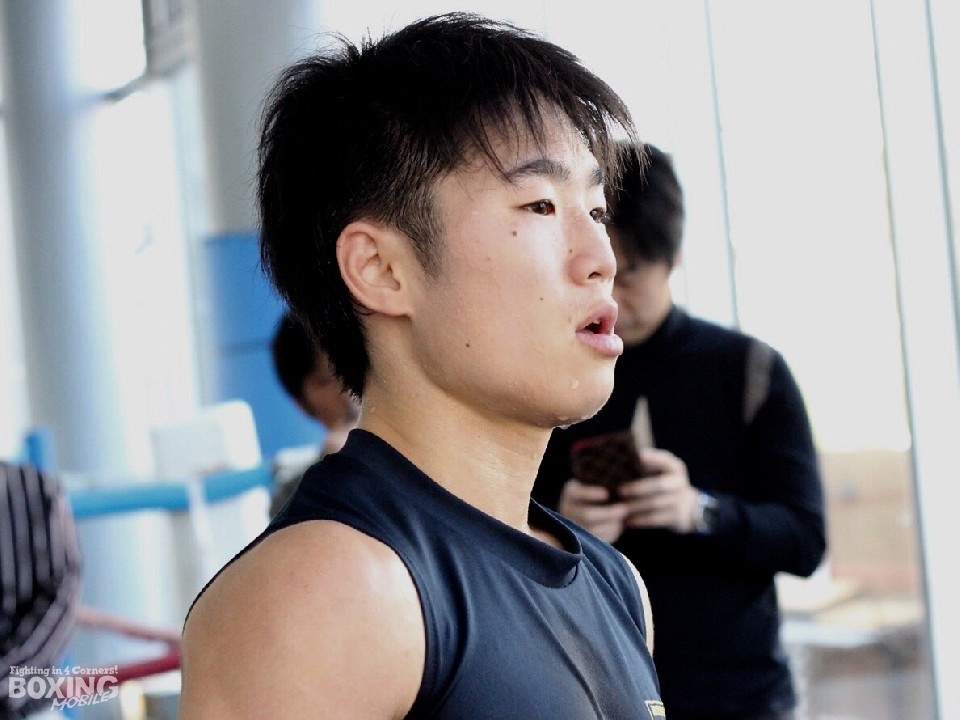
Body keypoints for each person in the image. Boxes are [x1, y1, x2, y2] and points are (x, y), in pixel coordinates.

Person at [178, 13, 664, 719]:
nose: (601, 258)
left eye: (595, 208)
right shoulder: (330, 592)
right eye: (540, 204)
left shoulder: (616, 583)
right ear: (381, 269)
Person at [534, 142, 827, 720]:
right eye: (598, 271)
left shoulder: (748, 370)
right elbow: (501, 524)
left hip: (739, 697)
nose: (612, 295)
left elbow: (804, 541)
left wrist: (701, 511)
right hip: (596, 692)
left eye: (630, 274)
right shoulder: (552, 379)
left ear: (674, 255)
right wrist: (561, 524)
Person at [268, 311, 360, 515]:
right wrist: (338, 472)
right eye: (326, 381)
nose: (348, 392)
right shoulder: (291, 502)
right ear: (302, 404)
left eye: (354, 366)